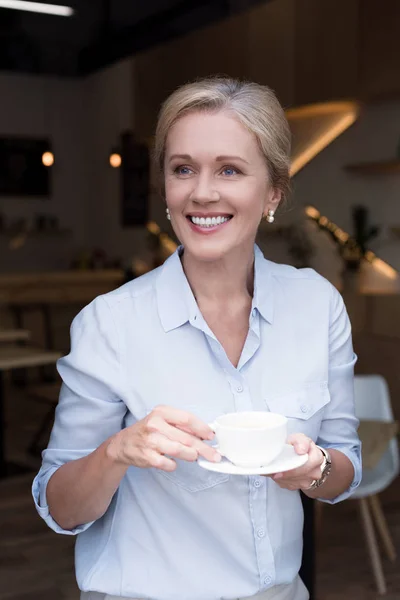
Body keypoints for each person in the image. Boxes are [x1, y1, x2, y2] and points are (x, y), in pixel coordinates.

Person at [32, 77, 361, 600]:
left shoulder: (318, 307)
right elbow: (61, 508)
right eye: (182, 169)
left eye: (229, 169)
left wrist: (314, 470)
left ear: (273, 190)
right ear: (165, 188)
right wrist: (118, 451)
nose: (201, 191)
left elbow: (345, 467)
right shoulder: (110, 323)